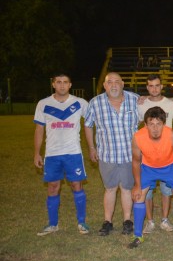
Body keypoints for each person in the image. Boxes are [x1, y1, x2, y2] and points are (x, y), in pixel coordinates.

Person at [34, 73, 89, 236]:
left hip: (73, 153)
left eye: (65, 82)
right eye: (59, 82)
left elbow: (93, 119)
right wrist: (37, 153)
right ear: (53, 84)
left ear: (70, 85)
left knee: (76, 185)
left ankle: (82, 222)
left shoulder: (80, 103)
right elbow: (39, 129)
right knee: (53, 187)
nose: (62, 85)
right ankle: (53, 224)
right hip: (52, 154)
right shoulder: (43, 104)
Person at [84, 72, 139, 236]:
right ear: (105, 85)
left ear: (122, 83)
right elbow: (88, 125)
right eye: (110, 82)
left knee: (127, 188)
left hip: (130, 155)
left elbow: (153, 112)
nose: (113, 85)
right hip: (107, 154)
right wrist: (91, 148)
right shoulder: (95, 103)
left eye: (117, 81)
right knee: (110, 188)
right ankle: (107, 221)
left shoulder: (135, 100)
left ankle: (127, 221)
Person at [128, 107, 173, 248]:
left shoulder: (172, 135)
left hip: (170, 166)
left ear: (164, 124)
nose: (155, 128)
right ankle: (137, 235)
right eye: (151, 124)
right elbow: (136, 161)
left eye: (158, 124)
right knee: (138, 196)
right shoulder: (138, 137)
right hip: (148, 168)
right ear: (145, 125)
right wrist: (137, 185)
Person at [137, 74, 173, 234]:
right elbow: (135, 124)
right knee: (147, 193)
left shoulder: (171, 104)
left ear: (162, 86)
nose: (154, 89)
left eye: (157, 85)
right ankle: (150, 221)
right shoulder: (141, 104)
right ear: (147, 87)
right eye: (151, 86)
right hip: (149, 157)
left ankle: (164, 219)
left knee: (167, 191)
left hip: (168, 156)